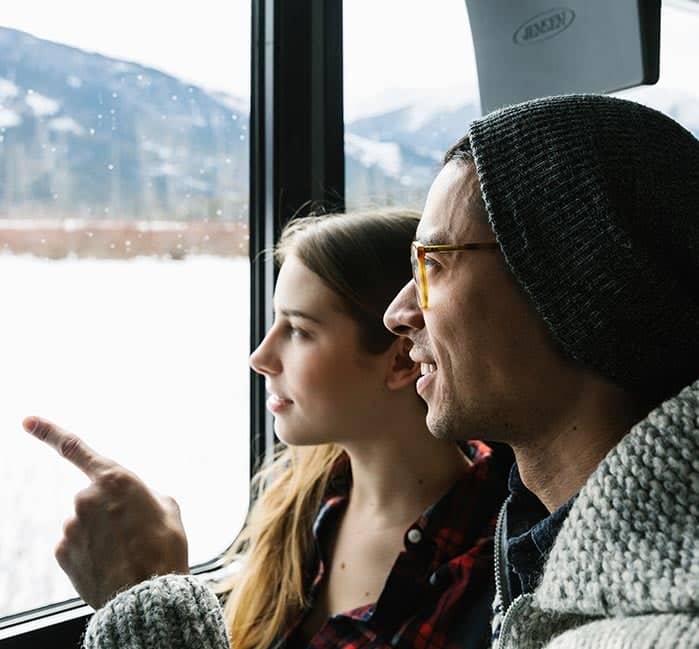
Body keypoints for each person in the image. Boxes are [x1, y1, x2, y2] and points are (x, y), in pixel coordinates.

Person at [25, 209, 506, 649]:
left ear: (402, 357)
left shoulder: (488, 572)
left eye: (298, 330)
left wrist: (149, 593)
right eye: (276, 321)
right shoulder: (296, 502)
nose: (260, 357)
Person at [383, 94, 699, 649]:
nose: (399, 313)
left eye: (433, 261)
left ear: (576, 286)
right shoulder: (533, 545)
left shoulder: (657, 636)